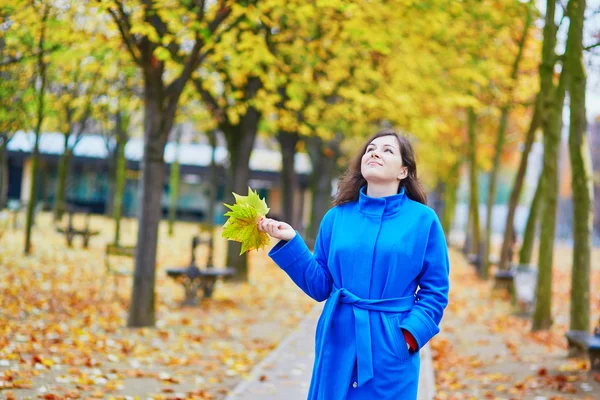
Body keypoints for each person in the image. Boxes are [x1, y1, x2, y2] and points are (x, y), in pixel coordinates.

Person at [258, 129, 450, 400]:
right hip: (338, 340)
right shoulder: (336, 217)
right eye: (371, 148)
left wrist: (407, 337)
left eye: (387, 150)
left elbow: (435, 292)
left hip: (390, 344)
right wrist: (292, 241)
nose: (375, 152)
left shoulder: (424, 221)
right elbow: (320, 286)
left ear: (403, 171)